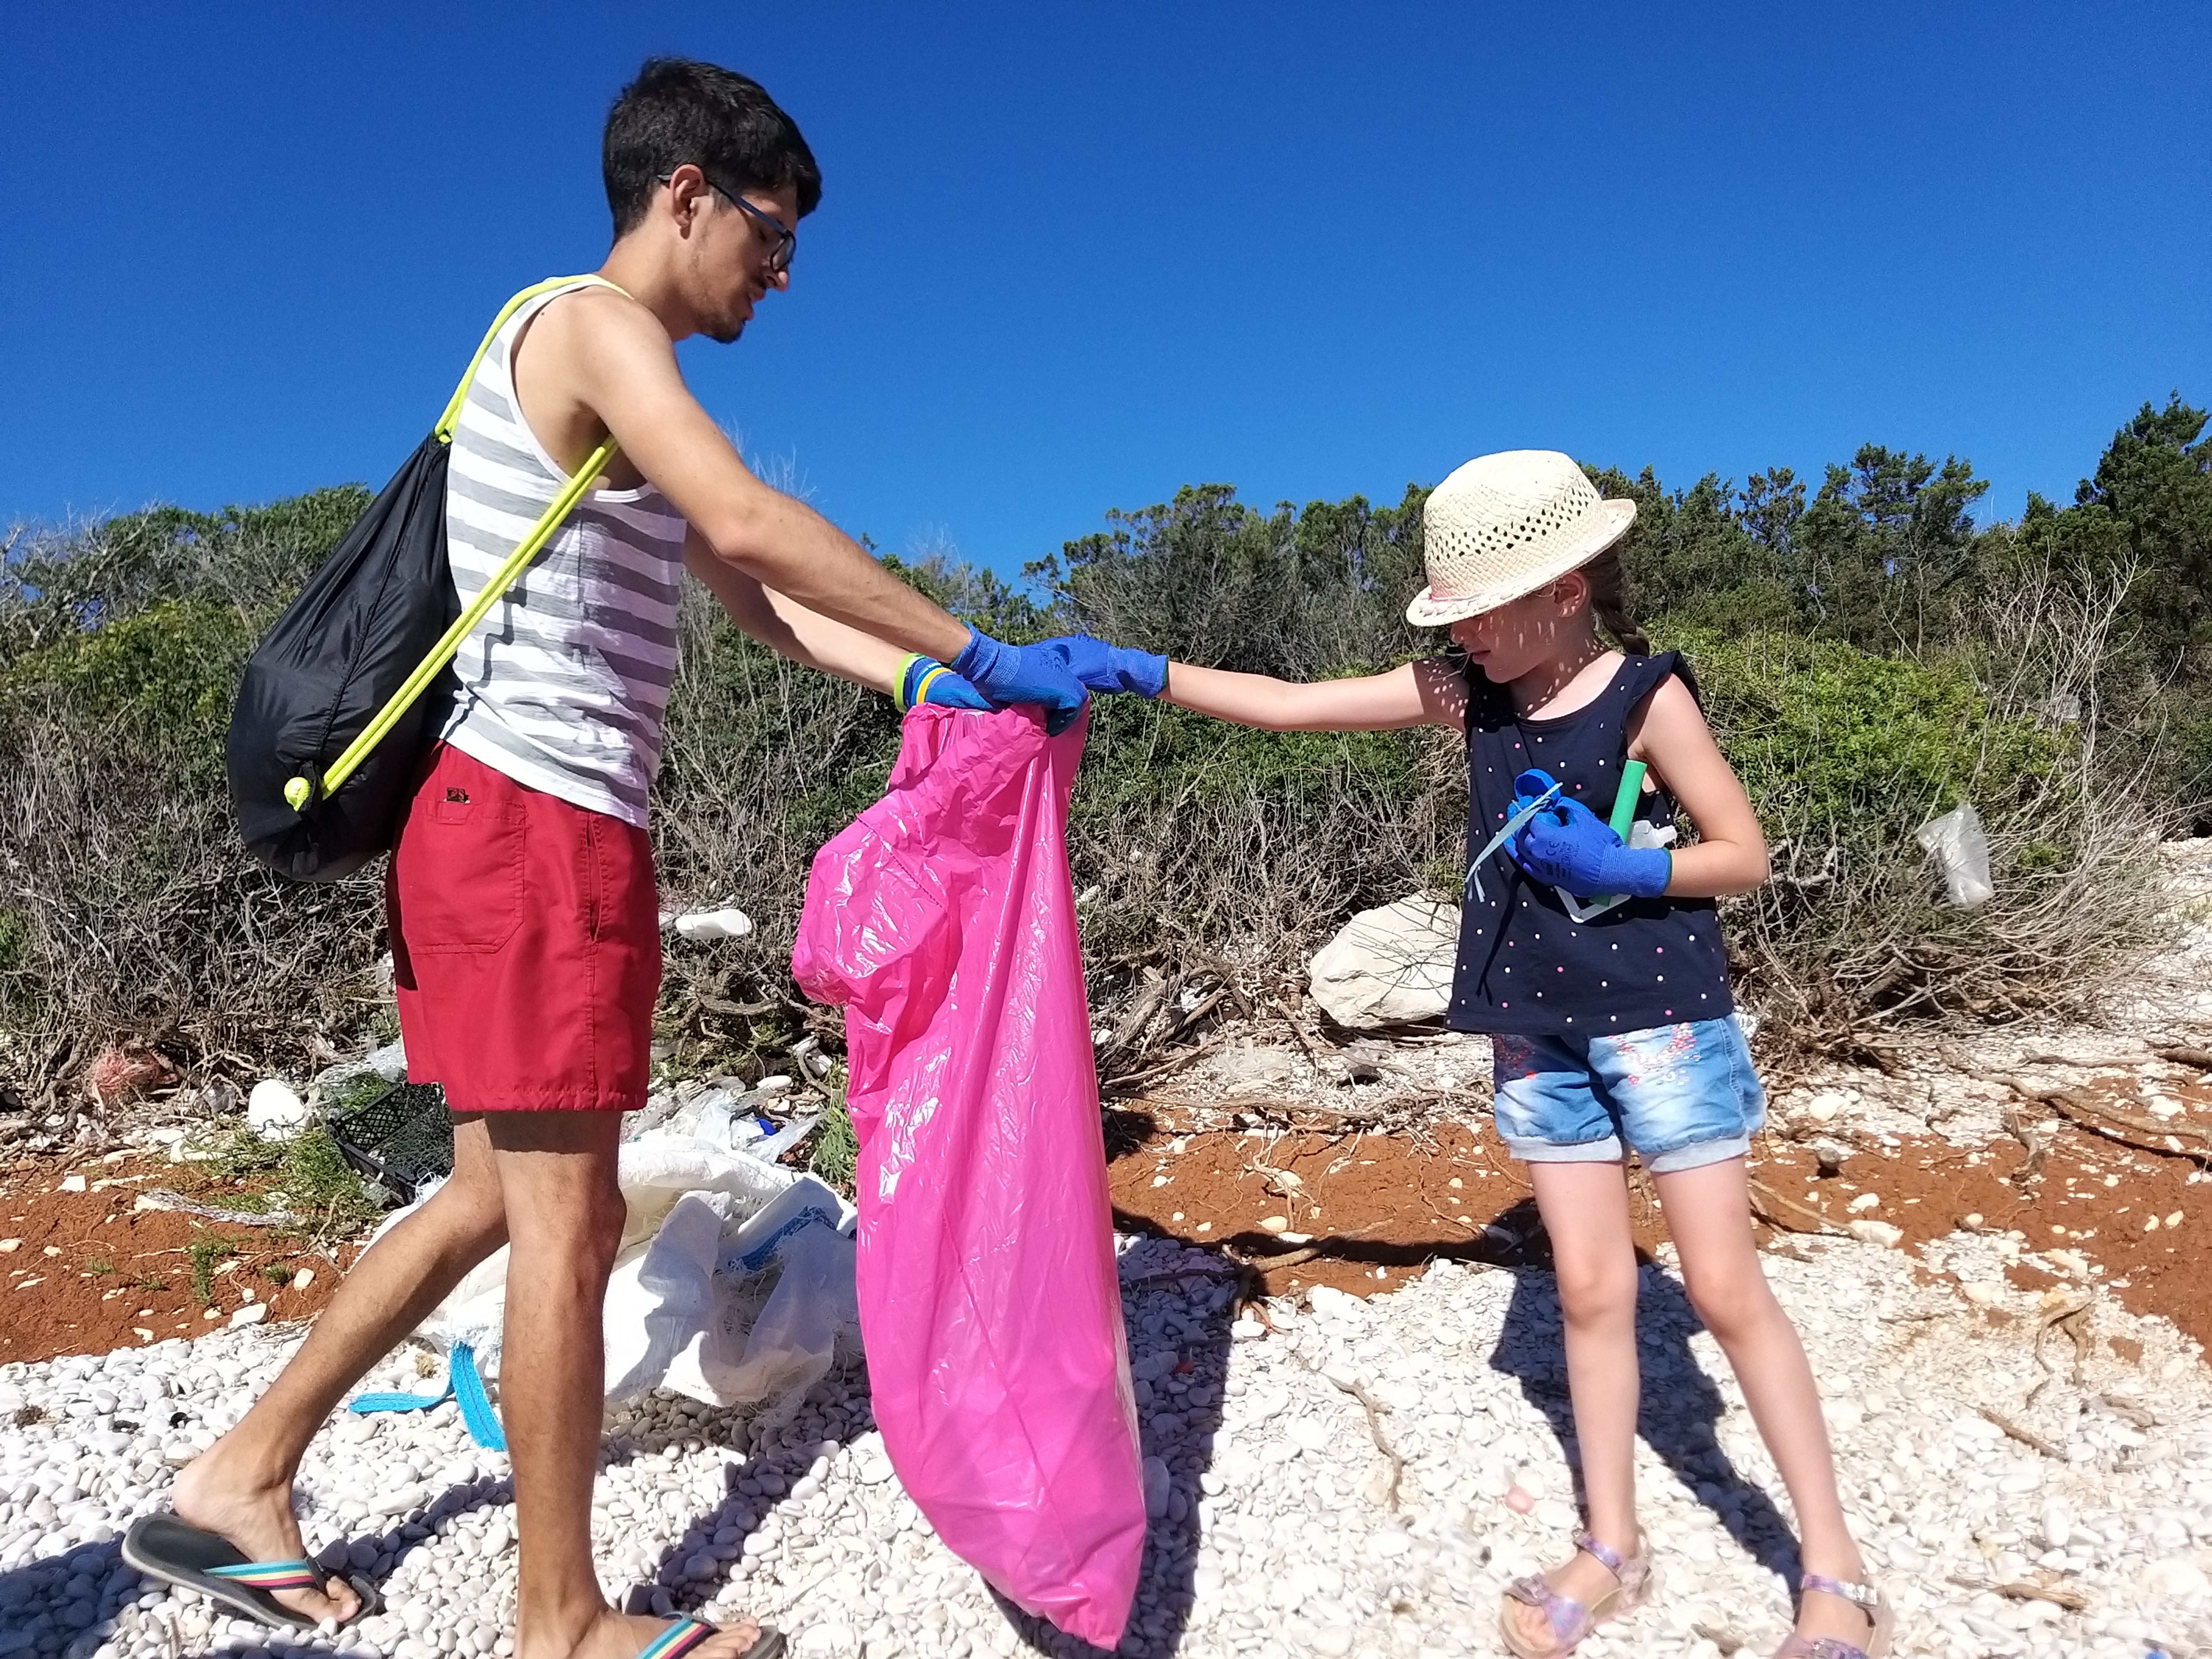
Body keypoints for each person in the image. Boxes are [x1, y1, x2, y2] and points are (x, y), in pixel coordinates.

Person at [128, 57, 1096, 1659]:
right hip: (533, 827)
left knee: (495, 1199)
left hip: (506, 834)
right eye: (771, 238)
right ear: (687, 195)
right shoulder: (595, 327)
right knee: (568, 1227)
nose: (780, 278)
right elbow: (758, 516)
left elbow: (754, 592)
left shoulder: (609, 366)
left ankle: (238, 1480)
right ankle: (559, 1621)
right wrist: (983, 644)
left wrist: (924, 682)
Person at [1065, 449, 1890, 1659]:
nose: (1462, 635)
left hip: (1663, 1023)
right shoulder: (1469, 694)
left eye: (1476, 609)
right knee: (1594, 1290)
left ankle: (1835, 1571)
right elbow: (1292, 704)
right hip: (1533, 1034)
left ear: (1561, 590)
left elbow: (1744, 853)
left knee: (1722, 1288)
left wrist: (1634, 869)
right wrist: (1142, 673)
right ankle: (1613, 1545)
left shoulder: (1647, 696)